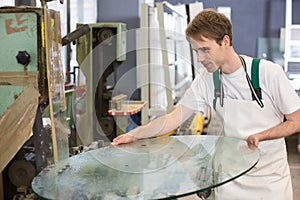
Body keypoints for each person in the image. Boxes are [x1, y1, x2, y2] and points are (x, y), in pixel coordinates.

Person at [112, 8, 300, 199]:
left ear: (225, 41)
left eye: (205, 49)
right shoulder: (207, 80)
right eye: (196, 51)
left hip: (269, 179)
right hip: (230, 179)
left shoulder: (267, 73)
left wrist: (262, 136)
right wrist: (134, 135)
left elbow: (296, 121)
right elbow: (172, 118)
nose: (200, 59)